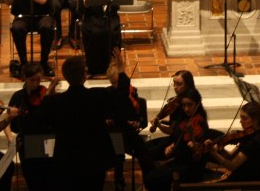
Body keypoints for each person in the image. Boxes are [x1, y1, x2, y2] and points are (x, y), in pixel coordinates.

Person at [36, 55, 117, 191]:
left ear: (65, 76)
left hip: (67, 159)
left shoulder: (54, 102)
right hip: (94, 158)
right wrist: (120, 72)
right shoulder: (98, 95)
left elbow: (41, 120)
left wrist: (49, 92)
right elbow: (121, 97)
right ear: (84, 75)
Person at [105, 48, 155, 189]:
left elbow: (140, 117)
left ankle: (150, 182)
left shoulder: (131, 92)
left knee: (145, 155)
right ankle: (119, 179)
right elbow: (108, 115)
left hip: (130, 132)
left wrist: (138, 123)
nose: (116, 86)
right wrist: (108, 120)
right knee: (118, 152)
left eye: (118, 83)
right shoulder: (109, 94)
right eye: (113, 83)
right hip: (115, 132)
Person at [144, 88, 208, 189]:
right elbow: (180, 138)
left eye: (190, 105)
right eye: (184, 105)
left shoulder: (201, 123)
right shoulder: (184, 118)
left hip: (191, 168)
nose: (186, 109)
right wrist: (171, 146)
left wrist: (194, 149)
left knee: (152, 180)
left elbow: (198, 158)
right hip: (178, 162)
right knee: (150, 177)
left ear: (197, 104)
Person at [8, 64, 57, 191]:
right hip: (27, 140)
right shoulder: (18, 96)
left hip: (46, 138)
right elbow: (7, 121)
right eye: (32, 80)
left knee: (49, 178)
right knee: (32, 178)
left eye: (38, 80)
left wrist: (50, 96)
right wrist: (10, 138)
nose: (36, 84)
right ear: (25, 78)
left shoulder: (46, 94)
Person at [204, 101, 260, 182]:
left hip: (244, 183)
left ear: (255, 120)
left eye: (244, 118)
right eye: (241, 117)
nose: (240, 121)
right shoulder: (248, 136)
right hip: (238, 177)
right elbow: (231, 156)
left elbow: (232, 166)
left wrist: (213, 153)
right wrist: (221, 150)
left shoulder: (255, 141)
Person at [147, 70, 197, 161]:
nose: (175, 87)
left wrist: (159, 125)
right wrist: (161, 120)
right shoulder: (178, 101)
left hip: (179, 143)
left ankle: (156, 169)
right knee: (144, 147)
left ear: (188, 85)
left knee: (145, 153)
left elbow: (173, 131)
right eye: (174, 83)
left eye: (179, 84)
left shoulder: (187, 106)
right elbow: (175, 123)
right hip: (174, 139)